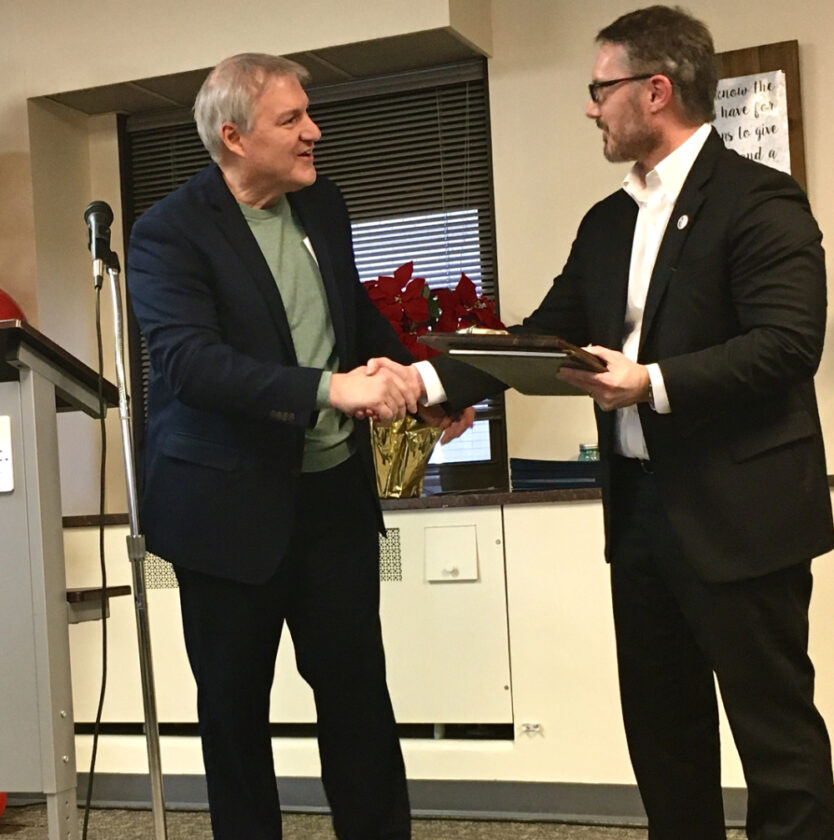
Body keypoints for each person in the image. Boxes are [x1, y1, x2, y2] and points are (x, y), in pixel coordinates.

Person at [423, 6, 834, 838]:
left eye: (599, 88)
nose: (590, 107)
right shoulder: (606, 222)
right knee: (663, 738)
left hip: (744, 519)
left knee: (776, 741)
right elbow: (542, 336)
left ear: (655, 91)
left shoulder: (760, 200)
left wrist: (650, 382)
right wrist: (432, 379)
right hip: (641, 516)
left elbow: (789, 344)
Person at [127, 53, 466, 840]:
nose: (314, 131)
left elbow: (352, 316)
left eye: (309, 113)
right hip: (224, 510)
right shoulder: (169, 232)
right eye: (292, 119)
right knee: (234, 713)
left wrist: (419, 385)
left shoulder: (323, 203)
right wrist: (329, 389)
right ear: (234, 137)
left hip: (333, 499)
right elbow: (191, 364)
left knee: (358, 698)